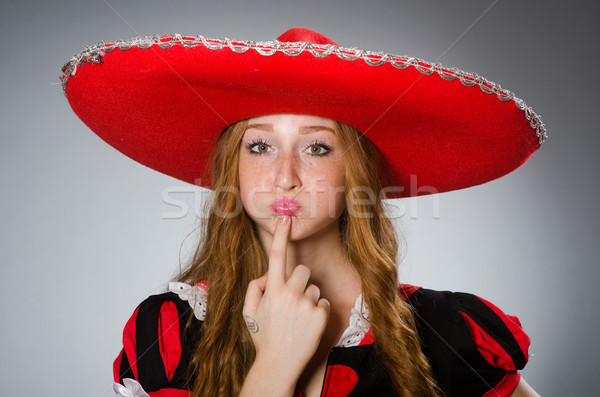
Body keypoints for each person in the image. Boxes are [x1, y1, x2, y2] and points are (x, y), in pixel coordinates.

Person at [61, 28, 545, 397]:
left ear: (356, 173)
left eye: (316, 147)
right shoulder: (168, 332)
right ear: (233, 169)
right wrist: (276, 360)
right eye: (260, 146)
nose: (285, 176)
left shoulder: (449, 330)